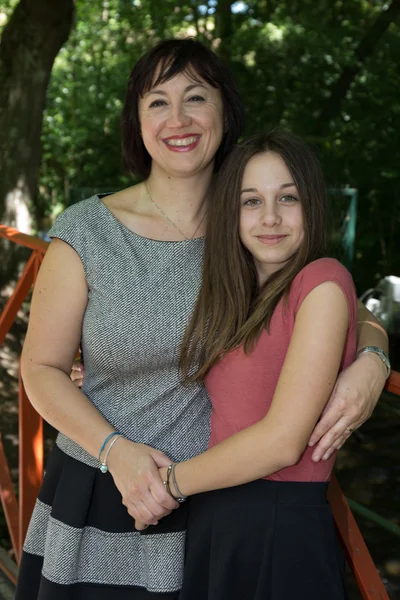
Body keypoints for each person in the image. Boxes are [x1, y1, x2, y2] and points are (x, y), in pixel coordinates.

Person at [17, 39, 389, 599]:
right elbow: (41, 368)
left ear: (225, 111)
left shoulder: (251, 223)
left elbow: (326, 296)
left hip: (208, 502)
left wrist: (374, 357)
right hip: (99, 489)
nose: (179, 119)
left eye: (196, 97)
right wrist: (115, 450)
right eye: (157, 103)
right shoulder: (87, 231)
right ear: (136, 123)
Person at [149, 130, 360, 598]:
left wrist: (166, 486)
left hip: (278, 526)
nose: (270, 218)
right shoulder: (237, 296)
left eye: (288, 198)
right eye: (251, 202)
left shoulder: (322, 281)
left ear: (312, 206)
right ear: (232, 213)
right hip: (218, 515)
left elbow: (284, 443)